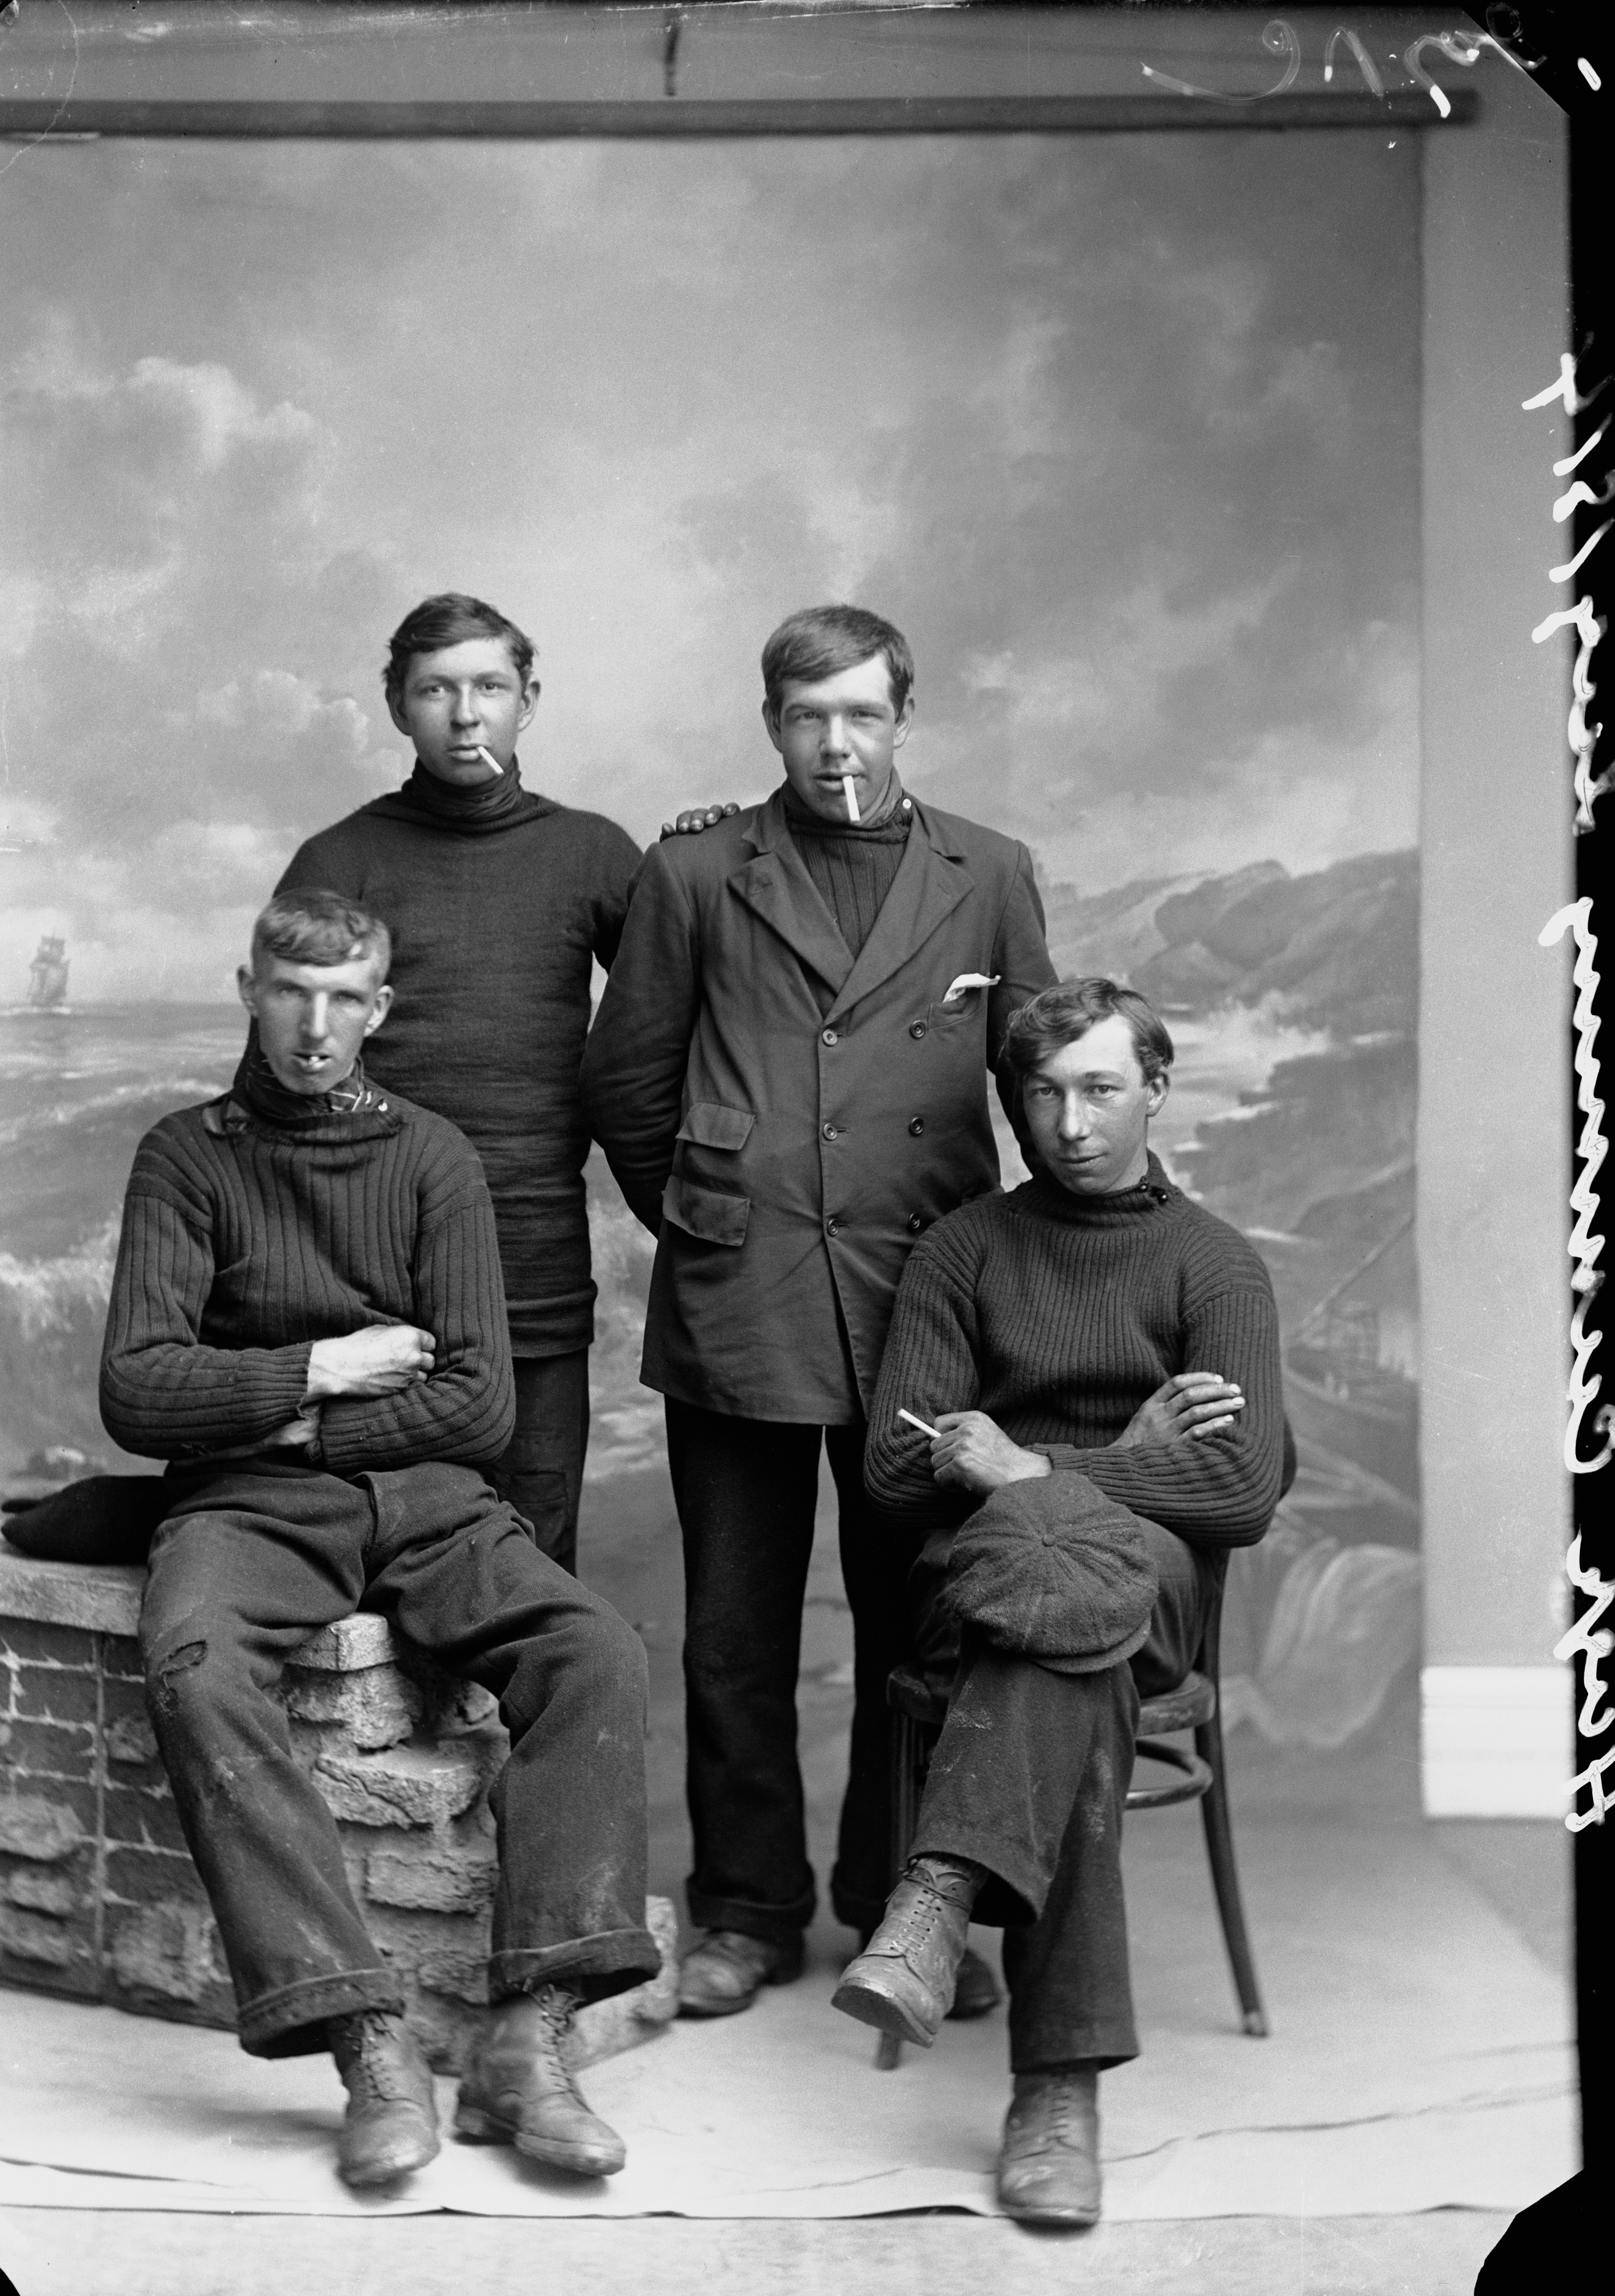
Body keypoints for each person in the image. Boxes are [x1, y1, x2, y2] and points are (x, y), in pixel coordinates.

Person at [97, 888, 659, 2189]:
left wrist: (281, 1418)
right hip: (247, 1506)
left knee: (593, 1651)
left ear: (381, 1009)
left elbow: (479, 1401)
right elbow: (136, 1391)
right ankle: (366, 2040)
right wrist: (326, 1365)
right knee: (189, 1660)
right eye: (292, 993)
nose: (316, 1025)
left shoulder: (432, 1156)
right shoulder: (187, 1156)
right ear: (248, 987)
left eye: (347, 997)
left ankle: (530, 2038)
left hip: (424, 1494)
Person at [580, 603, 1057, 2017]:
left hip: (928, 1299)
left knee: (918, 1622)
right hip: (742, 1295)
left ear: (904, 717)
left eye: (860, 714)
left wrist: (1043, 1288)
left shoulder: (990, 872)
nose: (834, 743)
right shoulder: (696, 871)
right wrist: (712, 1211)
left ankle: (901, 1907)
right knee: (735, 1626)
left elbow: (1036, 1079)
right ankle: (743, 1910)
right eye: (805, 717)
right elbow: (624, 1082)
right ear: (770, 725)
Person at [834, 977, 1291, 2226]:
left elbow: (1245, 1486)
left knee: (1069, 1580)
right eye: (1041, 1094)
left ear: (1155, 1088)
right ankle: (1057, 2094)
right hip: (991, 1591)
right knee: (1060, 1643)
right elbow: (889, 1468)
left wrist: (1035, 1468)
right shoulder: (964, 1251)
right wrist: (1130, 1466)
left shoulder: (1213, 1267)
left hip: (1148, 1589)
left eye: (1098, 1090)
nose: (1070, 1123)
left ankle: (931, 1902)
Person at [275, 594, 644, 1575]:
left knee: (532, 1561)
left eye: (489, 687)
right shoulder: (339, 859)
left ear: (529, 699)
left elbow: (672, 1021)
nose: (465, 713)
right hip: (372, 1277)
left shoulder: (594, 855)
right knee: (372, 1564)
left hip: (535, 1266)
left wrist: (710, 851)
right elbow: (287, 1067)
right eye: (436, 689)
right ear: (398, 705)